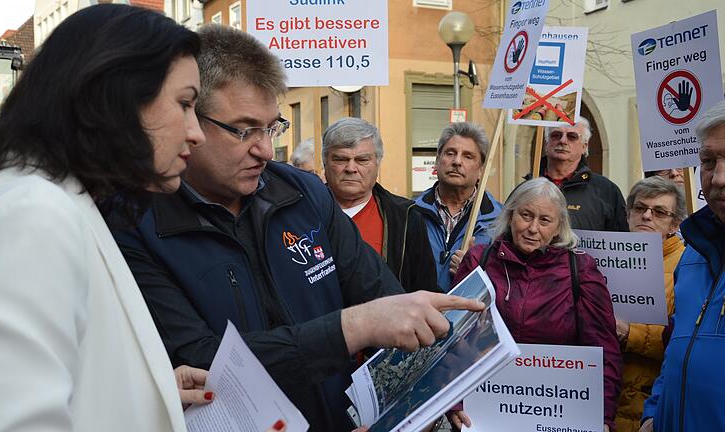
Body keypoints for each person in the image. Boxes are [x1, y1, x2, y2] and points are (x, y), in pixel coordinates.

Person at [111, 24, 483, 431]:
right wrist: (353, 327)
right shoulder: (135, 223)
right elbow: (204, 361)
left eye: (272, 127)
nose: (265, 150)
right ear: (191, 118)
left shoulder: (301, 192)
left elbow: (378, 289)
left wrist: (427, 384)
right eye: (244, 129)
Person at [0, 5, 215, 430]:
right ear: (116, 97)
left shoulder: (52, 200)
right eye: (184, 104)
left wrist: (149, 393)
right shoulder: (32, 215)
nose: (197, 132)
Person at [453, 177, 622, 432]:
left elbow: (603, 348)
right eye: (526, 215)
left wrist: (603, 415)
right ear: (510, 216)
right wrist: (455, 402)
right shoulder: (480, 261)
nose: (533, 228)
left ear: (558, 227)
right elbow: (453, 337)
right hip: (486, 412)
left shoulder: (580, 269)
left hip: (556, 413)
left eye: (545, 220)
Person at [641, 101, 725, 431]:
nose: (718, 178)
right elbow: (680, 346)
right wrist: (656, 409)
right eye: (708, 161)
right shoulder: (692, 256)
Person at [323, 117, 438, 293]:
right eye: (340, 159)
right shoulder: (300, 214)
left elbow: (424, 290)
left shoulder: (406, 218)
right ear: (325, 162)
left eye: (362, 160)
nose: (351, 168)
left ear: (378, 163)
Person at [614, 177, 685, 432]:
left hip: (651, 405)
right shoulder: (606, 256)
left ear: (674, 223)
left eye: (659, 212)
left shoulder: (687, 265)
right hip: (608, 398)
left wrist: (630, 334)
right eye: (639, 208)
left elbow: (683, 339)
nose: (646, 216)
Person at [415, 122, 503, 291]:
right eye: (450, 153)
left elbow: (510, 284)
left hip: (470, 314)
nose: (457, 161)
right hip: (420, 314)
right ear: (437, 160)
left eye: (468, 156)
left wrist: (475, 270)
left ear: (481, 171)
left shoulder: (501, 221)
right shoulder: (410, 214)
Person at [529, 117, 629, 232]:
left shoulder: (606, 191)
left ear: (584, 146)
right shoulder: (528, 187)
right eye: (556, 135)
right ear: (546, 143)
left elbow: (620, 241)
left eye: (572, 136)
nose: (563, 141)